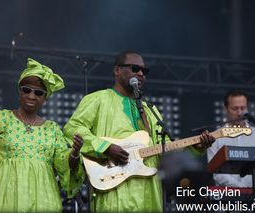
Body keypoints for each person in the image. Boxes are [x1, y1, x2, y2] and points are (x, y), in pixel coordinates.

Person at [63, 50, 214, 212]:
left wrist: (195, 147)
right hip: (114, 191)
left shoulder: (150, 110)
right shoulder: (98, 99)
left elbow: (165, 148)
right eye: (135, 68)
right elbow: (73, 129)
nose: (141, 73)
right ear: (117, 70)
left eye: (144, 71)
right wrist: (105, 147)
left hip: (149, 194)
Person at [0, 58, 85, 212]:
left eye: (39, 92)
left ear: (45, 99)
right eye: (27, 90)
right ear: (19, 92)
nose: (32, 96)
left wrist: (73, 154)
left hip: (43, 201)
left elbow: (63, 163)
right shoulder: (1, 119)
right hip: (5, 199)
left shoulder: (52, 129)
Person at [207, 89, 255, 188]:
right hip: (227, 197)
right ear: (225, 109)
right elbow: (216, 172)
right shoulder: (215, 137)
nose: (240, 113)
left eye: (243, 108)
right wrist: (241, 189)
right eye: (235, 109)